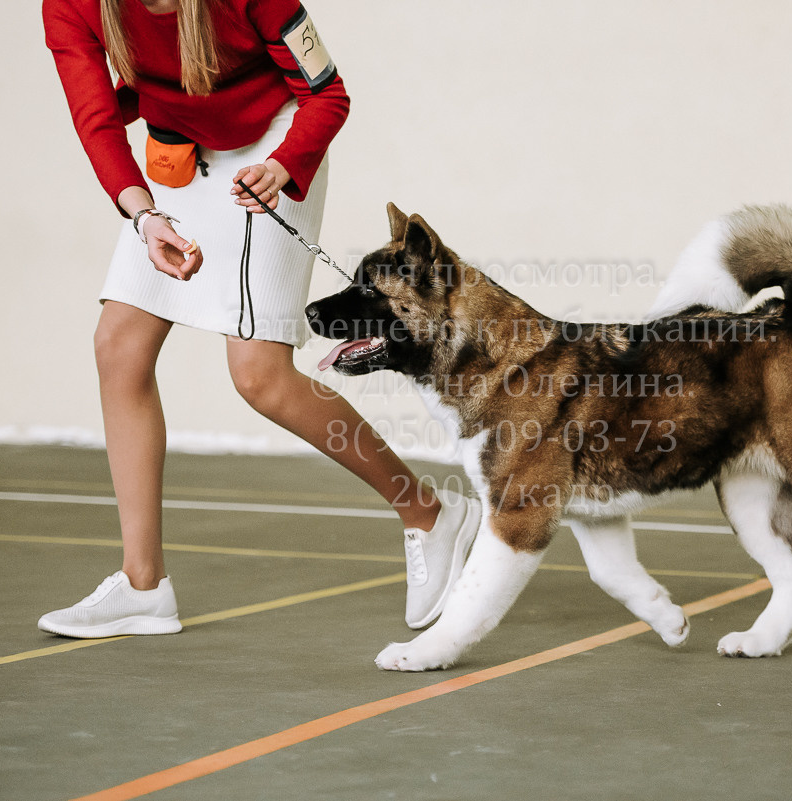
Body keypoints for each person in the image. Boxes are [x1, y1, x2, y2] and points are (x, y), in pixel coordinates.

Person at [38, 0, 479, 638]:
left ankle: (430, 516)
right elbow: (96, 119)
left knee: (259, 377)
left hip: (272, 144)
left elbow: (328, 95)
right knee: (119, 346)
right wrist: (144, 216)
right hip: (178, 153)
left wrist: (283, 164)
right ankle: (142, 585)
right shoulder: (70, 5)